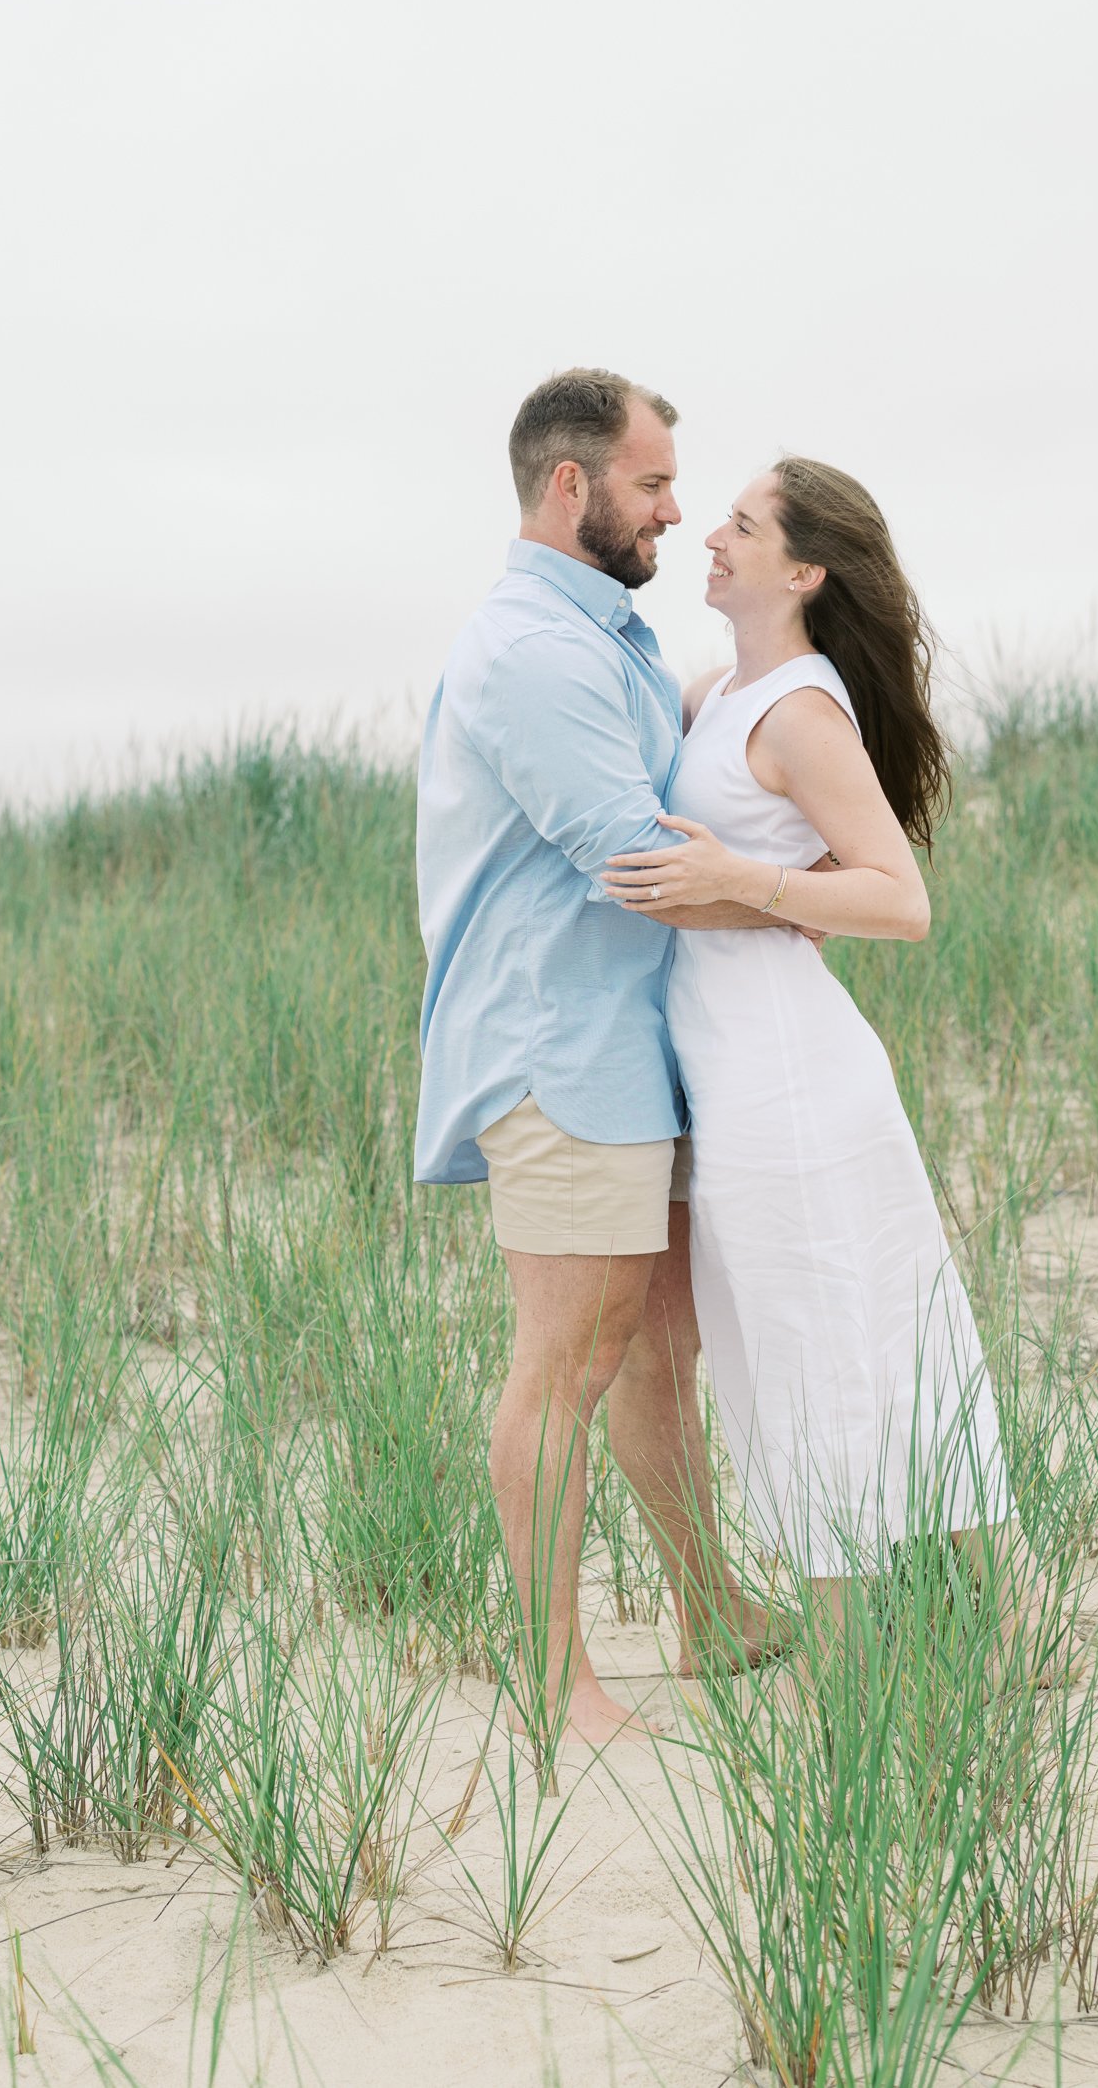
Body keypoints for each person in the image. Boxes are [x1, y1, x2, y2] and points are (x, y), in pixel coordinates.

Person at [414, 368, 782, 1748]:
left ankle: (710, 1609)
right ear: (568, 486)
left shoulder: (602, 636)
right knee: (566, 1358)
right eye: (649, 485)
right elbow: (629, 858)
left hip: (636, 1040)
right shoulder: (530, 648)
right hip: (555, 1046)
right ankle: (553, 1683)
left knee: (657, 1347)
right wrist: (810, 891)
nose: (673, 513)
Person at [600, 457, 1025, 1629]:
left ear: (801, 569)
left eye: (741, 526)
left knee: (838, 1334)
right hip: (733, 1072)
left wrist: (741, 875)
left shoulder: (800, 710)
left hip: (789, 1074)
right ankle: (980, 1617)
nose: (712, 538)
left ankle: (882, 1642)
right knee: (836, 1334)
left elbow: (900, 897)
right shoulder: (712, 694)